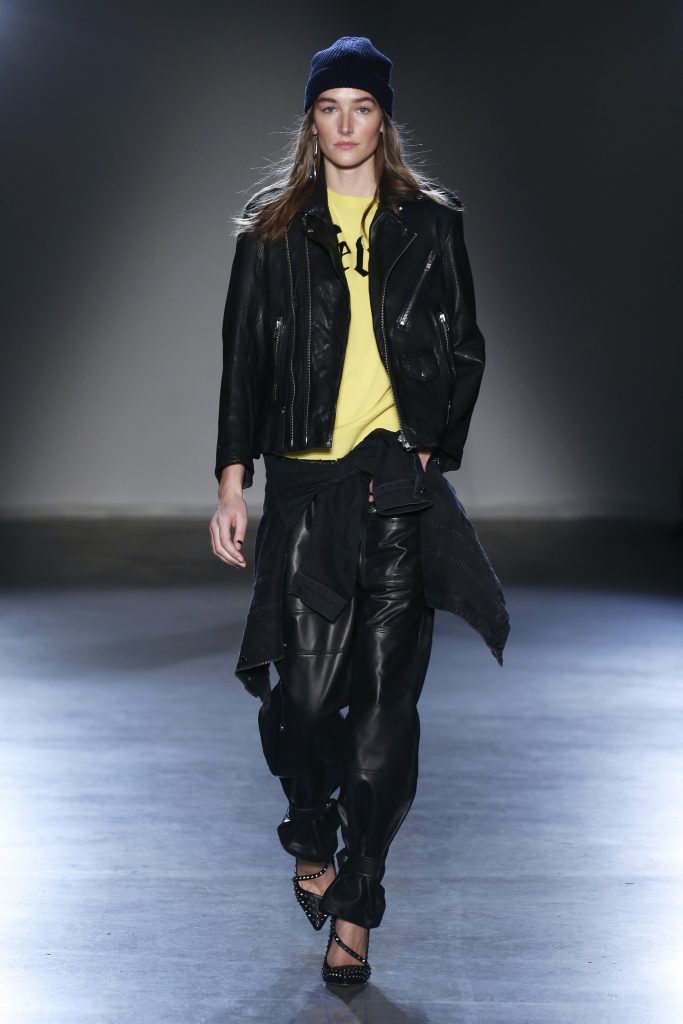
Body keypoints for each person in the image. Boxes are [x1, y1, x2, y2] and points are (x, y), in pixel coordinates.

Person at [209, 35, 510, 988]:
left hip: (396, 493)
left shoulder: (432, 225)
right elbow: (242, 364)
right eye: (329, 107)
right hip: (304, 492)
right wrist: (231, 483)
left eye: (362, 107)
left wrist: (426, 451)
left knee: (384, 714)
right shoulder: (269, 235)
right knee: (300, 704)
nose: (345, 124)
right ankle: (311, 833)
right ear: (312, 121)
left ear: (384, 120)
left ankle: (357, 907)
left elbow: (464, 349)